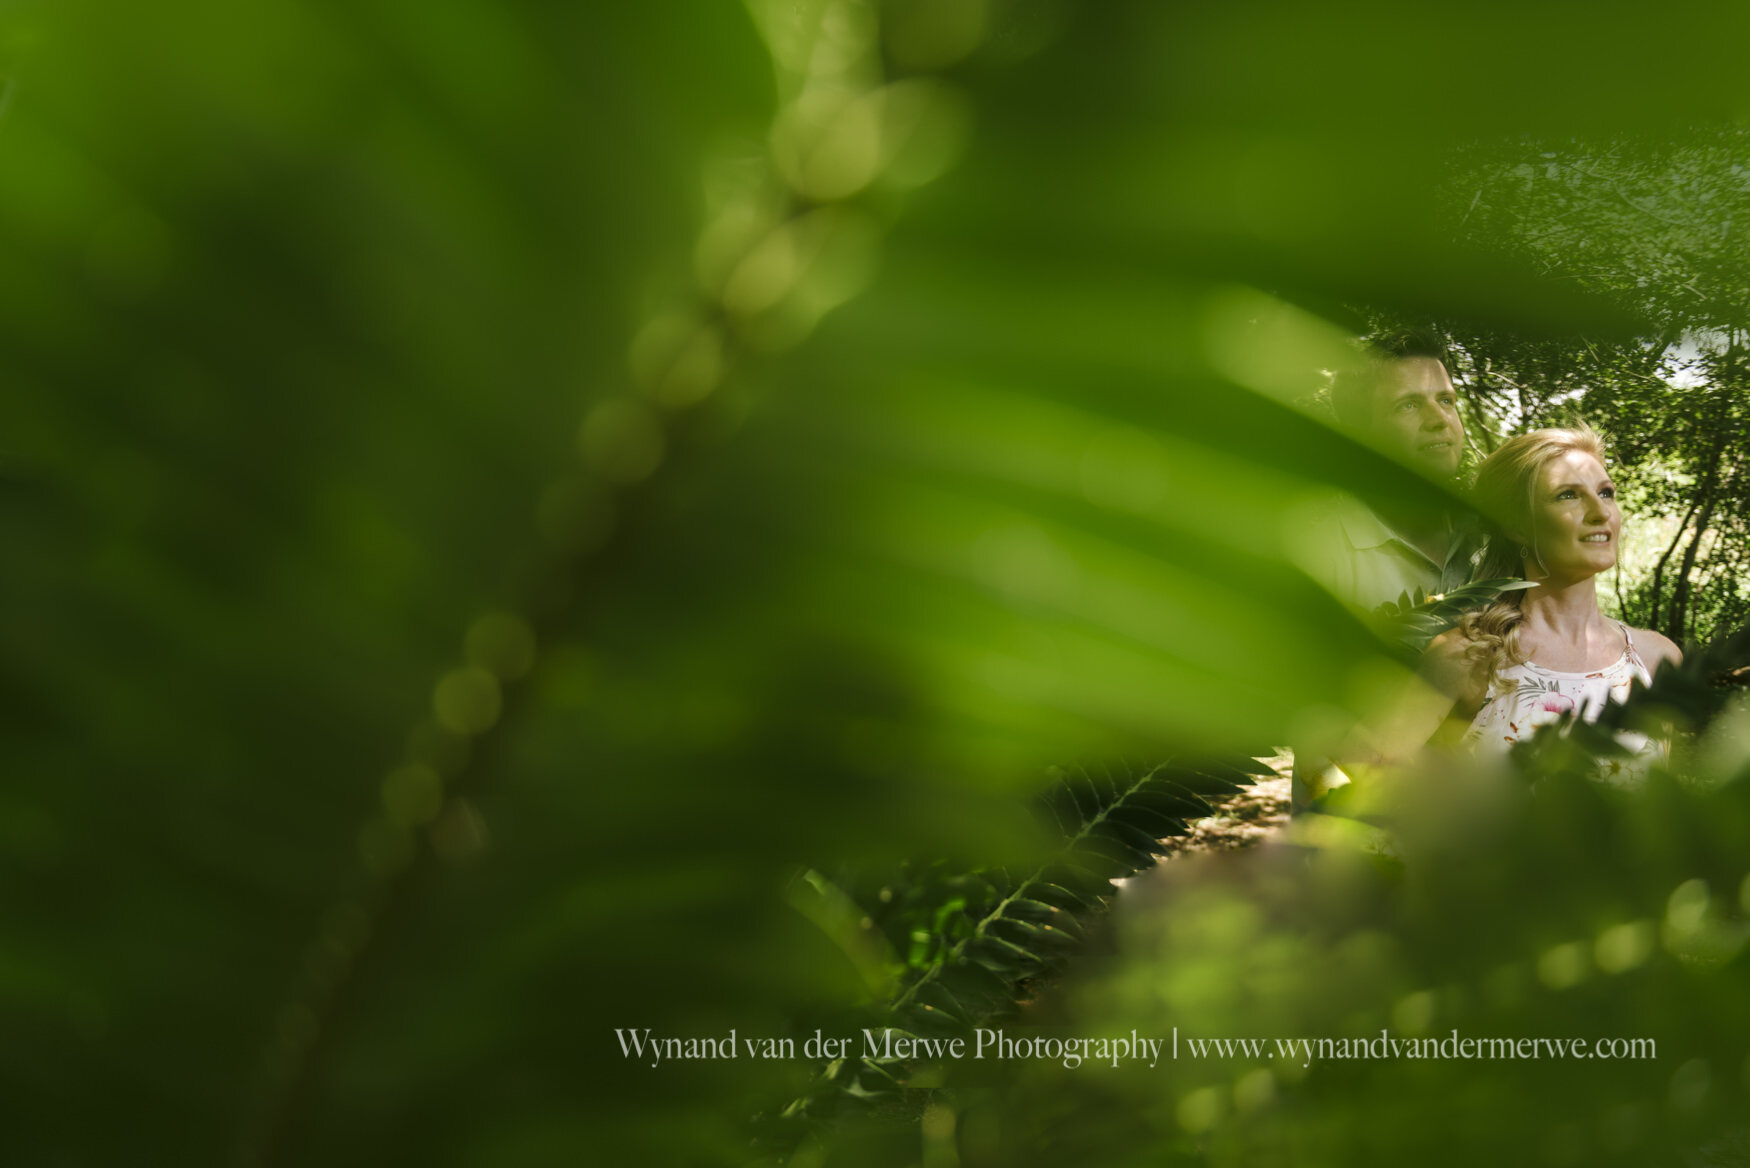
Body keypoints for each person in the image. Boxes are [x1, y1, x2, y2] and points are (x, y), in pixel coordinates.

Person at [1383, 425, 1681, 781]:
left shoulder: (1657, 660)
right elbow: (1360, 774)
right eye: (1568, 495)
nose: (1600, 512)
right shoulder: (1472, 656)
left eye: (1605, 493)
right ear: (1516, 526)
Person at [1306, 330, 1480, 610]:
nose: (1439, 420)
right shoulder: (1317, 562)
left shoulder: (1499, 542)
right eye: (1408, 405)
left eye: (1446, 400)